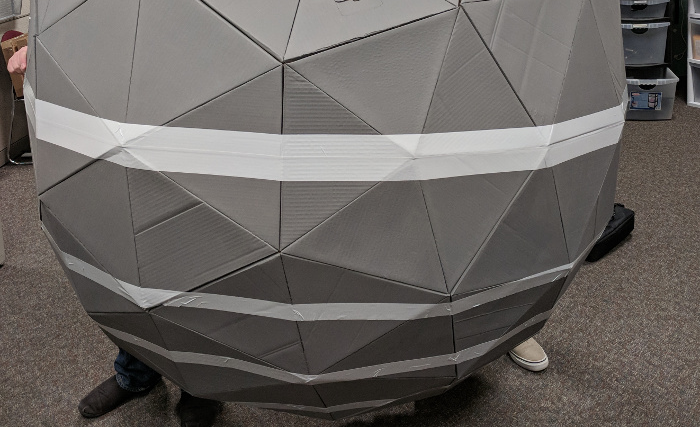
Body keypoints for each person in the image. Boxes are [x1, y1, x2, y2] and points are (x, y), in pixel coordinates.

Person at [8, 45, 546, 422]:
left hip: (255, 110)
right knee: (143, 258)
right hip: (160, 103)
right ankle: (139, 373)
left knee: (217, 260)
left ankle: (201, 388)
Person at [8, 45, 222, 426]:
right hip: (117, 111)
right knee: (125, 266)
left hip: (191, 107)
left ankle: (201, 385)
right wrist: (41, 40)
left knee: (193, 266)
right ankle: (136, 372)